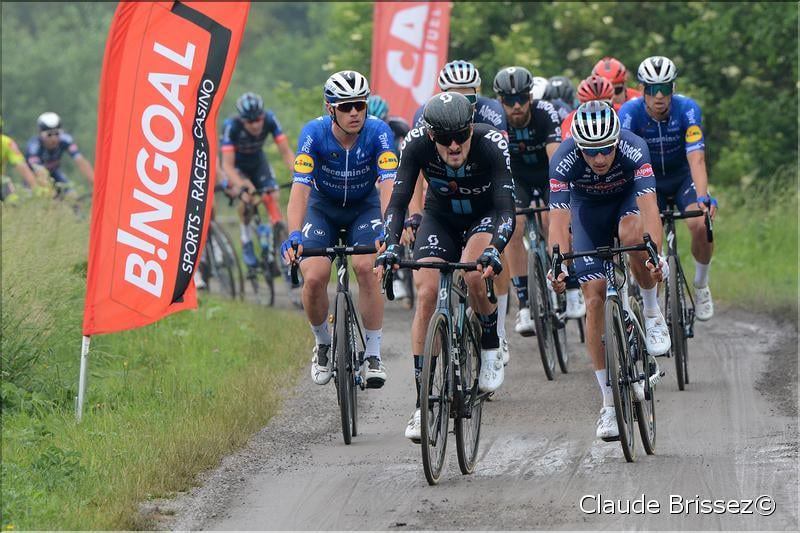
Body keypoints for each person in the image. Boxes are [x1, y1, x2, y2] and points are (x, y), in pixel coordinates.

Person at [375, 92, 516, 441]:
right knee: (425, 293)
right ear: (430, 135)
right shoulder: (415, 145)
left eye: (460, 136)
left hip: (484, 216)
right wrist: (390, 243)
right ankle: (423, 404)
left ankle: (490, 343)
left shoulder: (491, 143)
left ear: (471, 128)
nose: (453, 146)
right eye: (443, 138)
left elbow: (506, 209)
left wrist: (496, 248)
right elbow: (397, 203)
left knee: (472, 272)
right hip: (440, 218)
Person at [548, 100, 670, 439]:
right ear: (579, 147)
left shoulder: (635, 148)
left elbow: (650, 211)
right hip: (586, 212)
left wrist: (655, 257)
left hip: (627, 202)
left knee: (635, 236)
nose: (599, 159)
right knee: (595, 299)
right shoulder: (563, 159)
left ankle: (651, 311)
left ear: (617, 141)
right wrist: (556, 265)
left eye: (605, 149)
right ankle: (608, 404)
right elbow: (558, 224)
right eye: (590, 151)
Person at [281, 70, 396, 389]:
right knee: (315, 275)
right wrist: (294, 234)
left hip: (364, 208)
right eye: (346, 107)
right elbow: (300, 189)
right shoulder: (313, 133)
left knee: (366, 266)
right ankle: (322, 344)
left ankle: (372, 354)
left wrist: (390, 230)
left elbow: (388, 186)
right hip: (323, 209)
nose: (355, 112)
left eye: (360, 104)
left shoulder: (379, 132)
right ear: (331, 108)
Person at [408, 59, 512, 365]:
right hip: (442, 203)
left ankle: (497, 331)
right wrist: (414, 215)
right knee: (427, 293)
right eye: (452, 95)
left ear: (477, 95)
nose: (458, 103)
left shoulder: (492, 115)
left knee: (479, 269)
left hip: (484, 198)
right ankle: (423, 401)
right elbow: (414, 172)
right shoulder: (423, 117)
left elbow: (499, 167)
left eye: (467, 98)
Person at [618, 56, 716, 320]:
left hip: (682, 177)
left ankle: (701, 284)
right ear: (642, 89)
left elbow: (696, 156)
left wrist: (703, 197)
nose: (658, 95)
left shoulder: (687, 109)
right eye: (651, 89)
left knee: (700, 224)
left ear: (674, 87)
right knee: (648, 240)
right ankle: (653, 305)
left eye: (665, 87)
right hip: (650, 183)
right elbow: (626, 162)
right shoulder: (629, 112)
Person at [492, 66, 585, 333]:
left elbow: (557, 160)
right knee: (513, 226)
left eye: (522, 98)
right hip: (516, 179)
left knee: (551, 218)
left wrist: (558, 200)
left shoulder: (546, 113)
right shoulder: (497, 120)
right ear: (500, 101)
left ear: (530, 97)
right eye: (510, 101)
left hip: (547, 175)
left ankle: (571, 285)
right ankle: (523, 304)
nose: (517, 106)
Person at [220, 92, 296, 288]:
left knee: (274, 194)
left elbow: (286, 152)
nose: (255, 124)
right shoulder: (232, 126)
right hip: (238, 166)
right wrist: (241, 186)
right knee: (249, 198)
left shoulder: (270, 119)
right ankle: (246, 239)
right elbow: (227, 166)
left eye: (258, 119)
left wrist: (298, 172)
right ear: (242, 120)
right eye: (250, 121)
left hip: (258, 162)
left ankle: (278, 235)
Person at [367, 94, 414, 304]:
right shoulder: (366, 132)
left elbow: (411, 154)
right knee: (385, 210)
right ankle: (394, 273)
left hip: (399, 169)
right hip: (379, 174)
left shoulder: (399, 126)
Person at [25, 112, 94, 198]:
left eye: (57, 133)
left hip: (54, 172)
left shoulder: (65, 140)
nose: (53, 138)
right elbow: (40, 172)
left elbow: (80, 161)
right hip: (35, 176)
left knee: (72, 196)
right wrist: (51, 192)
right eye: (49, 135)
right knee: (46, 198)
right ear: (40, 134)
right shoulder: (34, 146)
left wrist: (95, 183)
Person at [1, 116, 42, 203]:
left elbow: (22, 167)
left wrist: (36, 188)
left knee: (13, 201)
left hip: (1, 181)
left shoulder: (7, 143)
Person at [561, 75, 615, 139]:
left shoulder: (621, 110)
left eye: (604, 104)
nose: (598, 111)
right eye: (591, 106)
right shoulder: (571, 119)